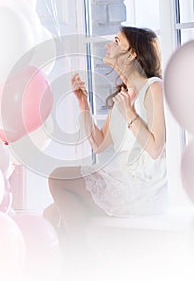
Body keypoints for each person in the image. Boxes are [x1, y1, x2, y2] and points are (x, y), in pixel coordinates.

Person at [43, 26, 168, 252]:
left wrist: (130, 113)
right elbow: (99, 144)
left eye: (117, 42)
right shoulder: (122, 94)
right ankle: (79, 264)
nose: (108, 45)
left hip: (142, 188)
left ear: (132, 55)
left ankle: (84, 259)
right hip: (120, 178)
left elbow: (156, 149)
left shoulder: (154, 87)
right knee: (50, 214)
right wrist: (83, 104)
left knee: (56, 178)